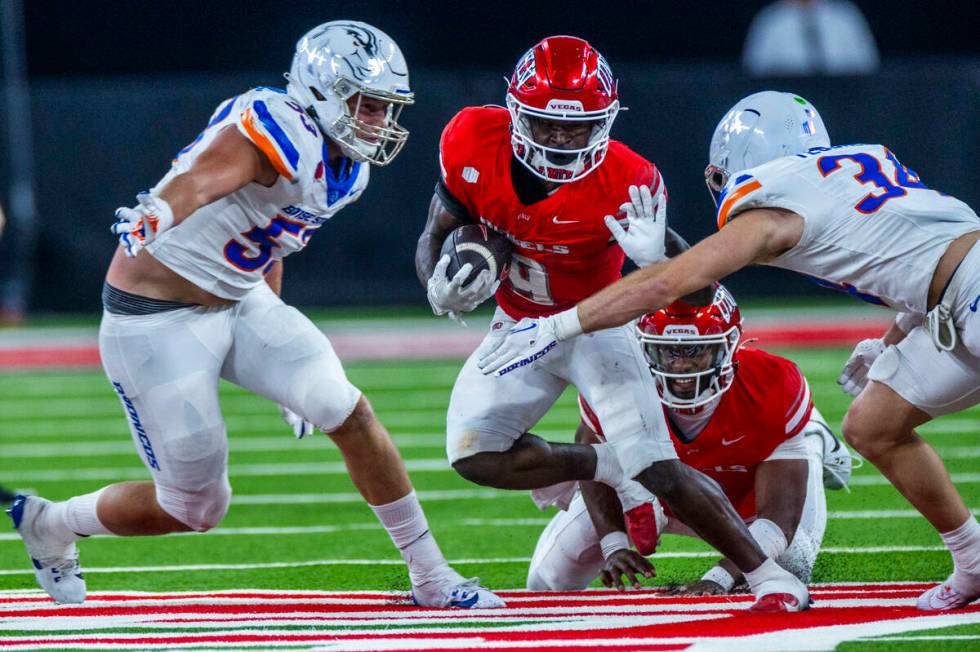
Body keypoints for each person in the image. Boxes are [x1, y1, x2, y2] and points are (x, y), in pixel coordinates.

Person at [6, 20, 502, 609]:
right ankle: (52, 523)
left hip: (243, 298)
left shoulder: (350, 172)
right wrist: (157, 213)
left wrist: (279, 365)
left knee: (346, 410)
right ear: (322, 90)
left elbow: (270, 244)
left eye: (384, 107)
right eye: (366, 105)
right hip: (155, 320)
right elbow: (202, 179)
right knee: (194, 507)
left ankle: (432, 576)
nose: (377, 121)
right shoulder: (277, 123)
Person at [479, 90, 980, 610]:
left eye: (721, 176)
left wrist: (557, 326)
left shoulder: (773, 211)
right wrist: (892, 339)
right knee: (873, 424)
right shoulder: (852, 168)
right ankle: (972, 559)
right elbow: (930, 256)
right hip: (950, 300)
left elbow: (670, 283)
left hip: (970, 296)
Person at [416, 38, 810, 612]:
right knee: (472, 455)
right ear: (515, 112)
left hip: (597, 327)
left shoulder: (629, 177)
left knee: (662, 470)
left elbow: (699, 287)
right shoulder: (472, 138)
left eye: (577, 128)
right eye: (547, 124)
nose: (560, 139)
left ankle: (769, 576)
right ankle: (609, 462)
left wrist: (659, 257)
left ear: (606, 121)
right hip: (518, 325)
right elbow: (435, 232)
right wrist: (434, 283)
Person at [527, 284, 849, 593]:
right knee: (547, 581)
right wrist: (613, 544)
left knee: (793, 566)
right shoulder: (617, 378)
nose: (680, 365)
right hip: (646, 491)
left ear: (730, 345)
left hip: (743, 503)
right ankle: (644, 503)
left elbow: (779, 519)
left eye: (695, 351)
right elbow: (590, 456)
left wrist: (719, 578)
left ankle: (811, 436)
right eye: (667, 351)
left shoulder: (772, 384)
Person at [742, 0, 879, 77]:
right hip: (787, 105)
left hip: (844, 103)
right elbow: (754, 71)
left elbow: (868, 65)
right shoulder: (770, 20)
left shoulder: (845, 17)